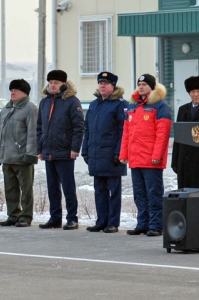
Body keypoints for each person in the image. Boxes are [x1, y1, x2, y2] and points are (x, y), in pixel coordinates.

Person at [119, 74, 172, 236]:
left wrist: (157, 156)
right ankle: (143, 224)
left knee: (153, 194)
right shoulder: (133, 106)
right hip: (135, 159)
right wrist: (123, 154)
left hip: (151, 160)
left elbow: (162, 134)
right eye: (139, 84)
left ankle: (156, 226)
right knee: (139, 194)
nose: (141, 87)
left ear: (152, 87)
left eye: (144, 84)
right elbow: (127, 133)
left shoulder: (160, 106)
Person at [37, 70, 85, 230]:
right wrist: (40, 148)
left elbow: (78, 127)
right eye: (50, 82)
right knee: (52, 187)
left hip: (65, 151)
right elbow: (39, 127)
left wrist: (75, 148)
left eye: (56, 83)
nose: (52, 85)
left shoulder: (71, 101)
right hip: (49, 151)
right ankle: (55, 217)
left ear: (63, 84)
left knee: (68, 186)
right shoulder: (44, 103)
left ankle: (72, 218)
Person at [81, 71, 128, 233]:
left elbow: (124, 130)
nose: (102, 86)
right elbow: (87, 130)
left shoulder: (120, 104)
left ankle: (113, 222)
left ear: (113, 86)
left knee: (114, 191)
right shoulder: (94, 105)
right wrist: (85, 150)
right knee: (99, 190)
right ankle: (101, 220)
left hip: (112, 155)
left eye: (105, 83)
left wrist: (119, 153)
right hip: (96, 154)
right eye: (100, 83)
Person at [0, 79, 38, 227]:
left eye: (16, 90)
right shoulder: (5, 109)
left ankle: (26, 216)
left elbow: (33, 134)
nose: (13, 92)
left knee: (26, 190)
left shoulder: (30, 109)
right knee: (10, 189)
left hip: (22, 158)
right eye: (11, 89)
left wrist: (30, 154)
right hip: (7, 157)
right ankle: (13, 215)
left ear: (25, 93)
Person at [171, 76, 199, 188]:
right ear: (189, 93)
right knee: (186, 192)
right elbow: (179, 135)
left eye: (198, 91)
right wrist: (175, 161)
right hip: (185, 159)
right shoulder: (183, 109)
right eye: (193, 91)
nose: (196, 94)